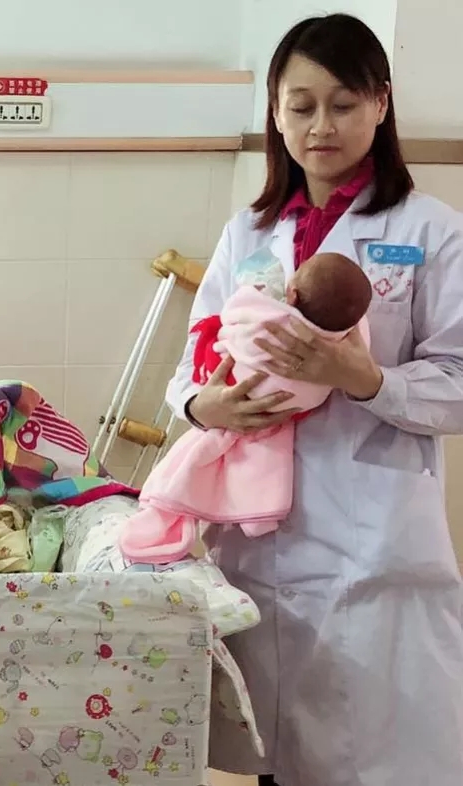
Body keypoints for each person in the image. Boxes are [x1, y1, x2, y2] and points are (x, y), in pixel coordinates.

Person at [166, 13, 463, 786]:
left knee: (376, 750)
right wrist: (205, 407)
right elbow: (193, 363)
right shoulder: (250, 232)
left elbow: (459, 381)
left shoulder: (431, 232)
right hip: (258, 530)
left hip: (375, 531)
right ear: (275, 112)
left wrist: (363, 378)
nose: (320, 126)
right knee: (274, 745)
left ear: (381, 104)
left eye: (342, 104)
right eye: (300, 106)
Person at [120, 252, 373, 566]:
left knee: (196, 458)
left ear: (292, 294)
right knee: (230, 453)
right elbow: (188, 363)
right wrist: (200, 407)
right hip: (292, 405)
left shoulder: (269, 317)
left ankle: (165, 516)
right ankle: (251, 512)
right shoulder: (351, 332)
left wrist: (370, 382)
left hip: (346, 500)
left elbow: (235, 316)